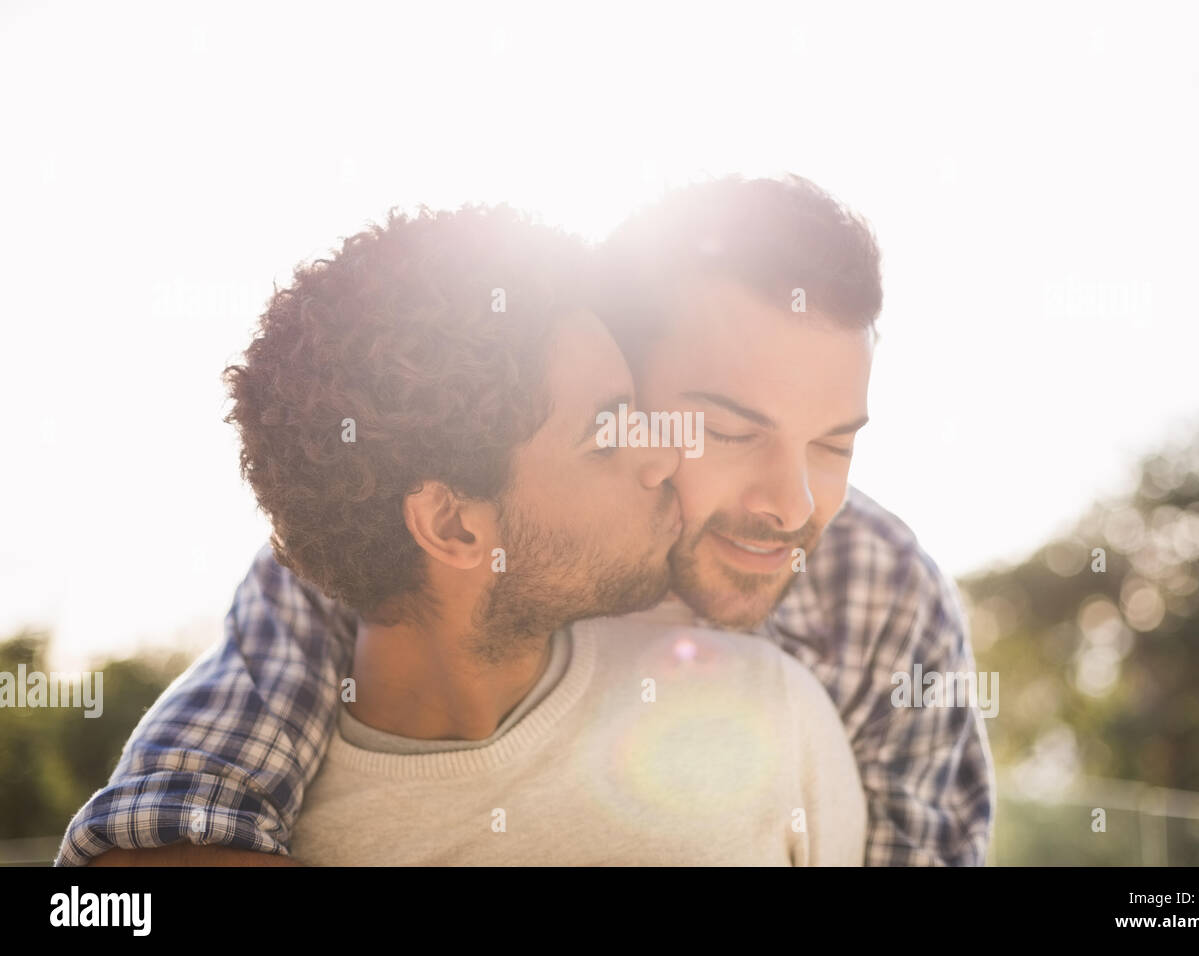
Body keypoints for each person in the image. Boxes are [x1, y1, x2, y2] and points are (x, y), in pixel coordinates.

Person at [59, 174, 992, 867]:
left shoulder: (881, 592)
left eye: (834, 443)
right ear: (619, 369)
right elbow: (173, 818)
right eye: (724, 428)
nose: (794, 506)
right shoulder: (343, 564)